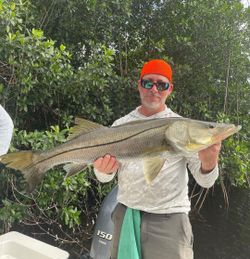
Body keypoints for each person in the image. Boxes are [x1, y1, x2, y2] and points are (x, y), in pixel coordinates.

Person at [93, 59, 221, 259]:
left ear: (170, 89)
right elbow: (104, 178)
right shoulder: (121, 124)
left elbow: (206, 181)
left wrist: (209, 161)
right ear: (139, 85)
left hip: (168, 220)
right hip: (126, 213)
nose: (154, 89)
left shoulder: (183, 128)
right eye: (148, 83)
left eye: (161, 84)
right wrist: (104, 170)